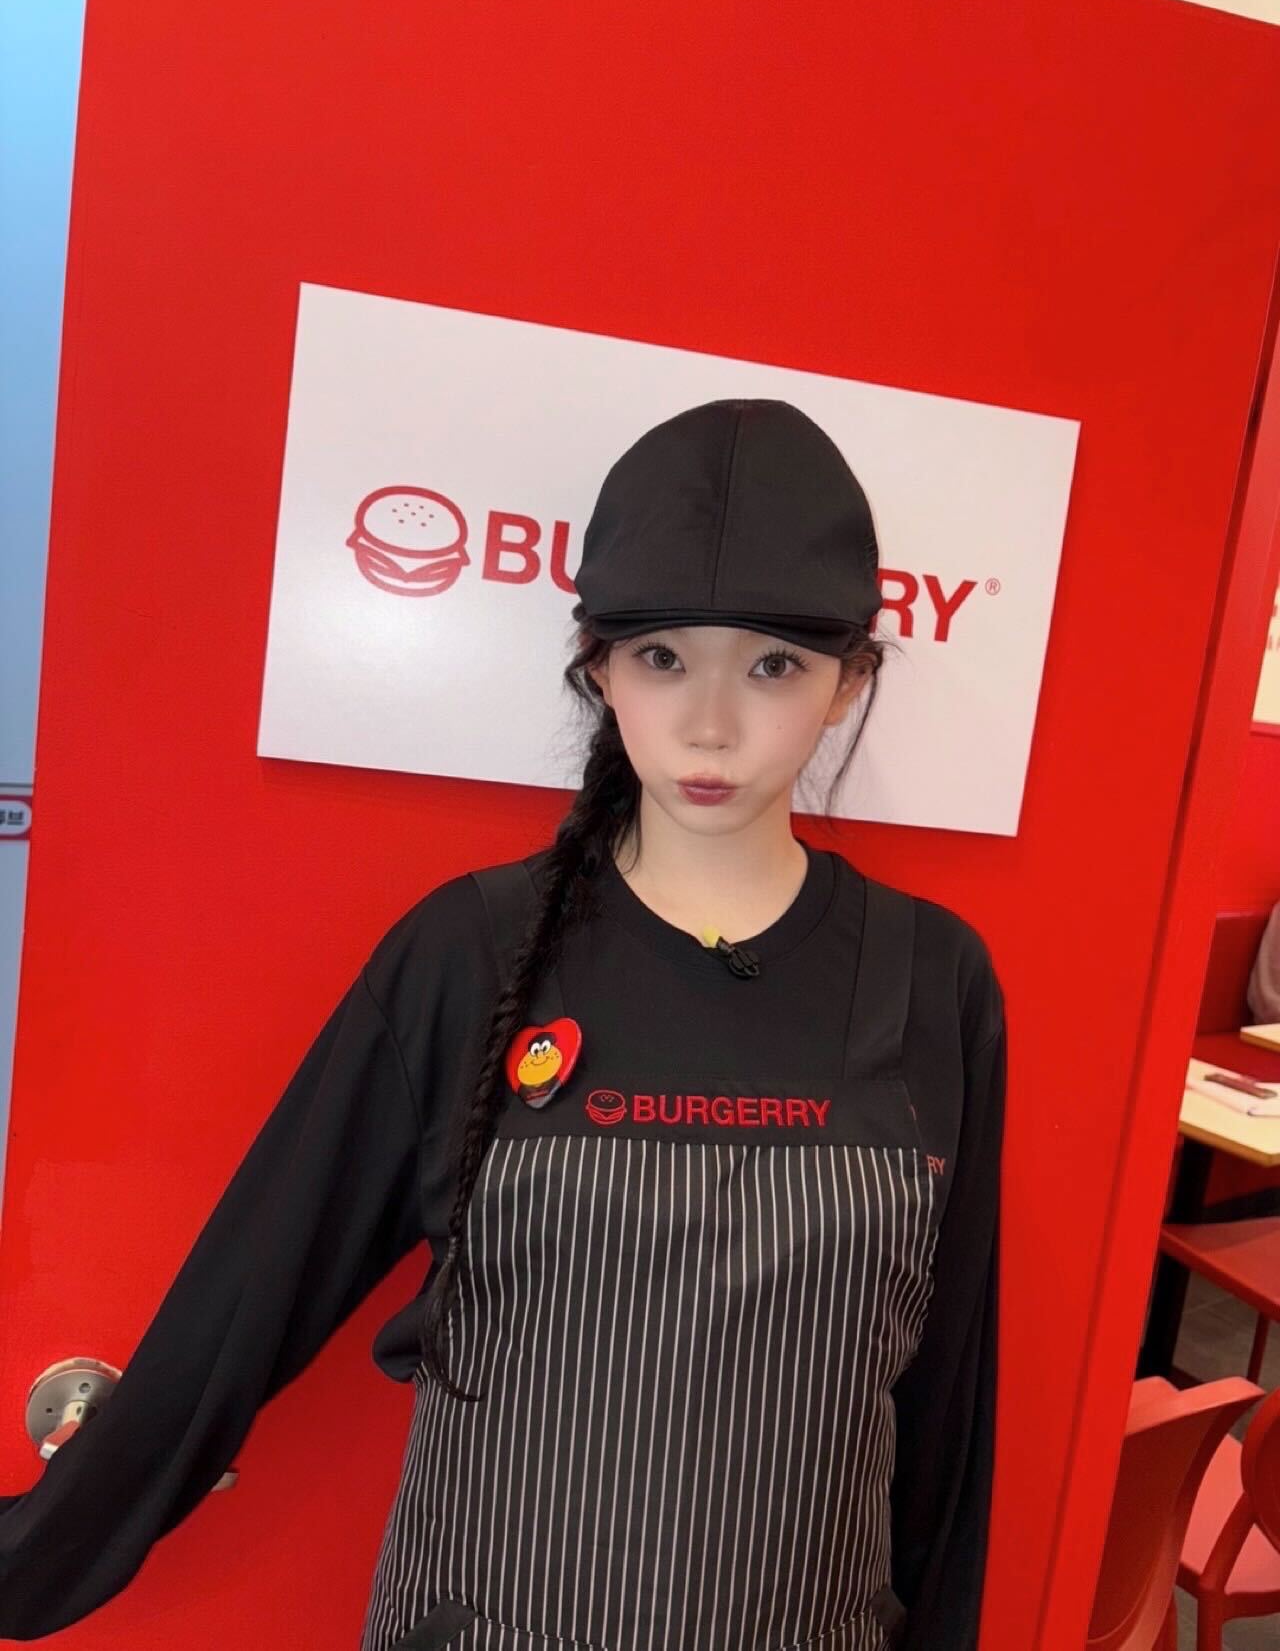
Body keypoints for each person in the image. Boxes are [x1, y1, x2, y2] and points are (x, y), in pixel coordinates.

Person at [0, 397, 1007, 1651]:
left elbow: (947, 1410)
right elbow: (243, 1304)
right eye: (661, 658)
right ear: (597, 665)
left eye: (772, 666)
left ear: (849, 681)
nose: (709, 722)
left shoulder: (929, 980)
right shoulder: (469, 955)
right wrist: (29, 1563)